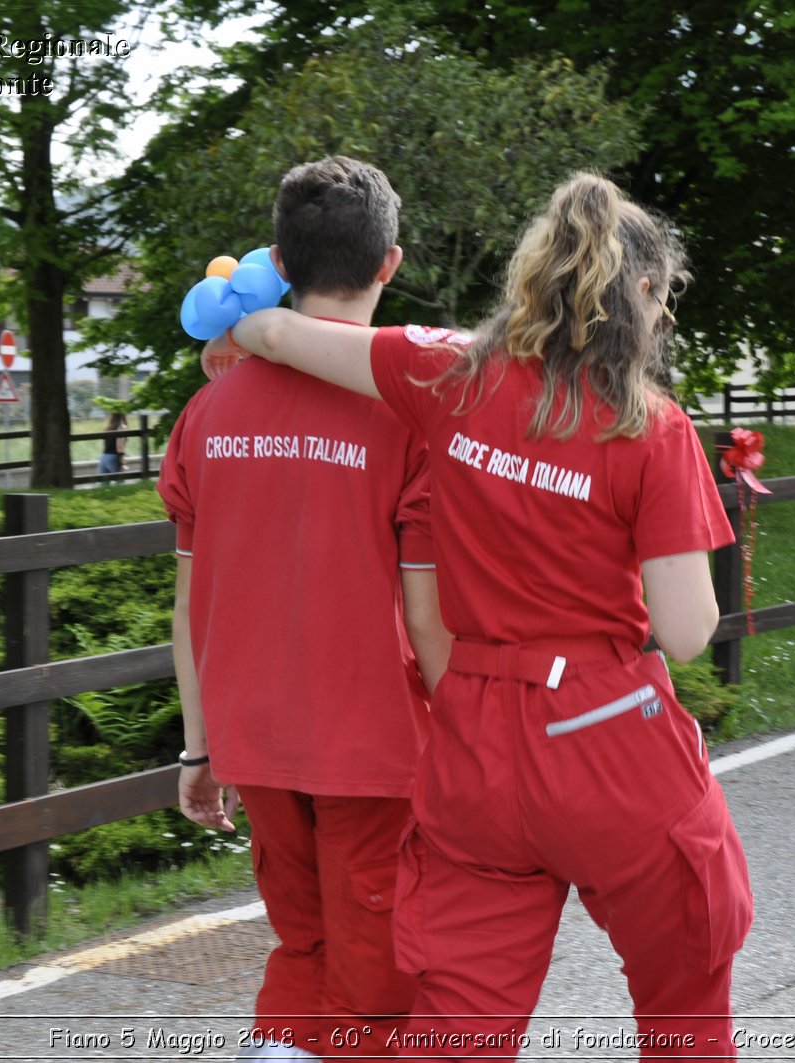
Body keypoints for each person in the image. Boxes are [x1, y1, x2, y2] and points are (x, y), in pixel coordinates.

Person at [230, 173, 752, 1060]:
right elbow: (687, 629)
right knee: (686, 982)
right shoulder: (652, 429)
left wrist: (231, 321)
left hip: (474, 738)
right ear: (644, 295)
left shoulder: (444, 369)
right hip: (603, 733)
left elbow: (281, 331)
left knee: (460, 1016)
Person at [157, 156, 452, 1062]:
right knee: (376, 977)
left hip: (256, 734)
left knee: (303, 941)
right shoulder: (414, 409)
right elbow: (426, 608)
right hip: (373, 744)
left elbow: (188, 606)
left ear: (277, 264)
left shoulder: (206, 414)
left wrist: (201, 747)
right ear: (389, 265)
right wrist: (471, 742)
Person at [99, 411, 127, 476]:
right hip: (114, 457)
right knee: (120, 482)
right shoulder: (122, 427)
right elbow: (119, 447)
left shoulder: (108, 428)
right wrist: (123, 463)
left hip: (104, 457)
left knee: (104, 484)